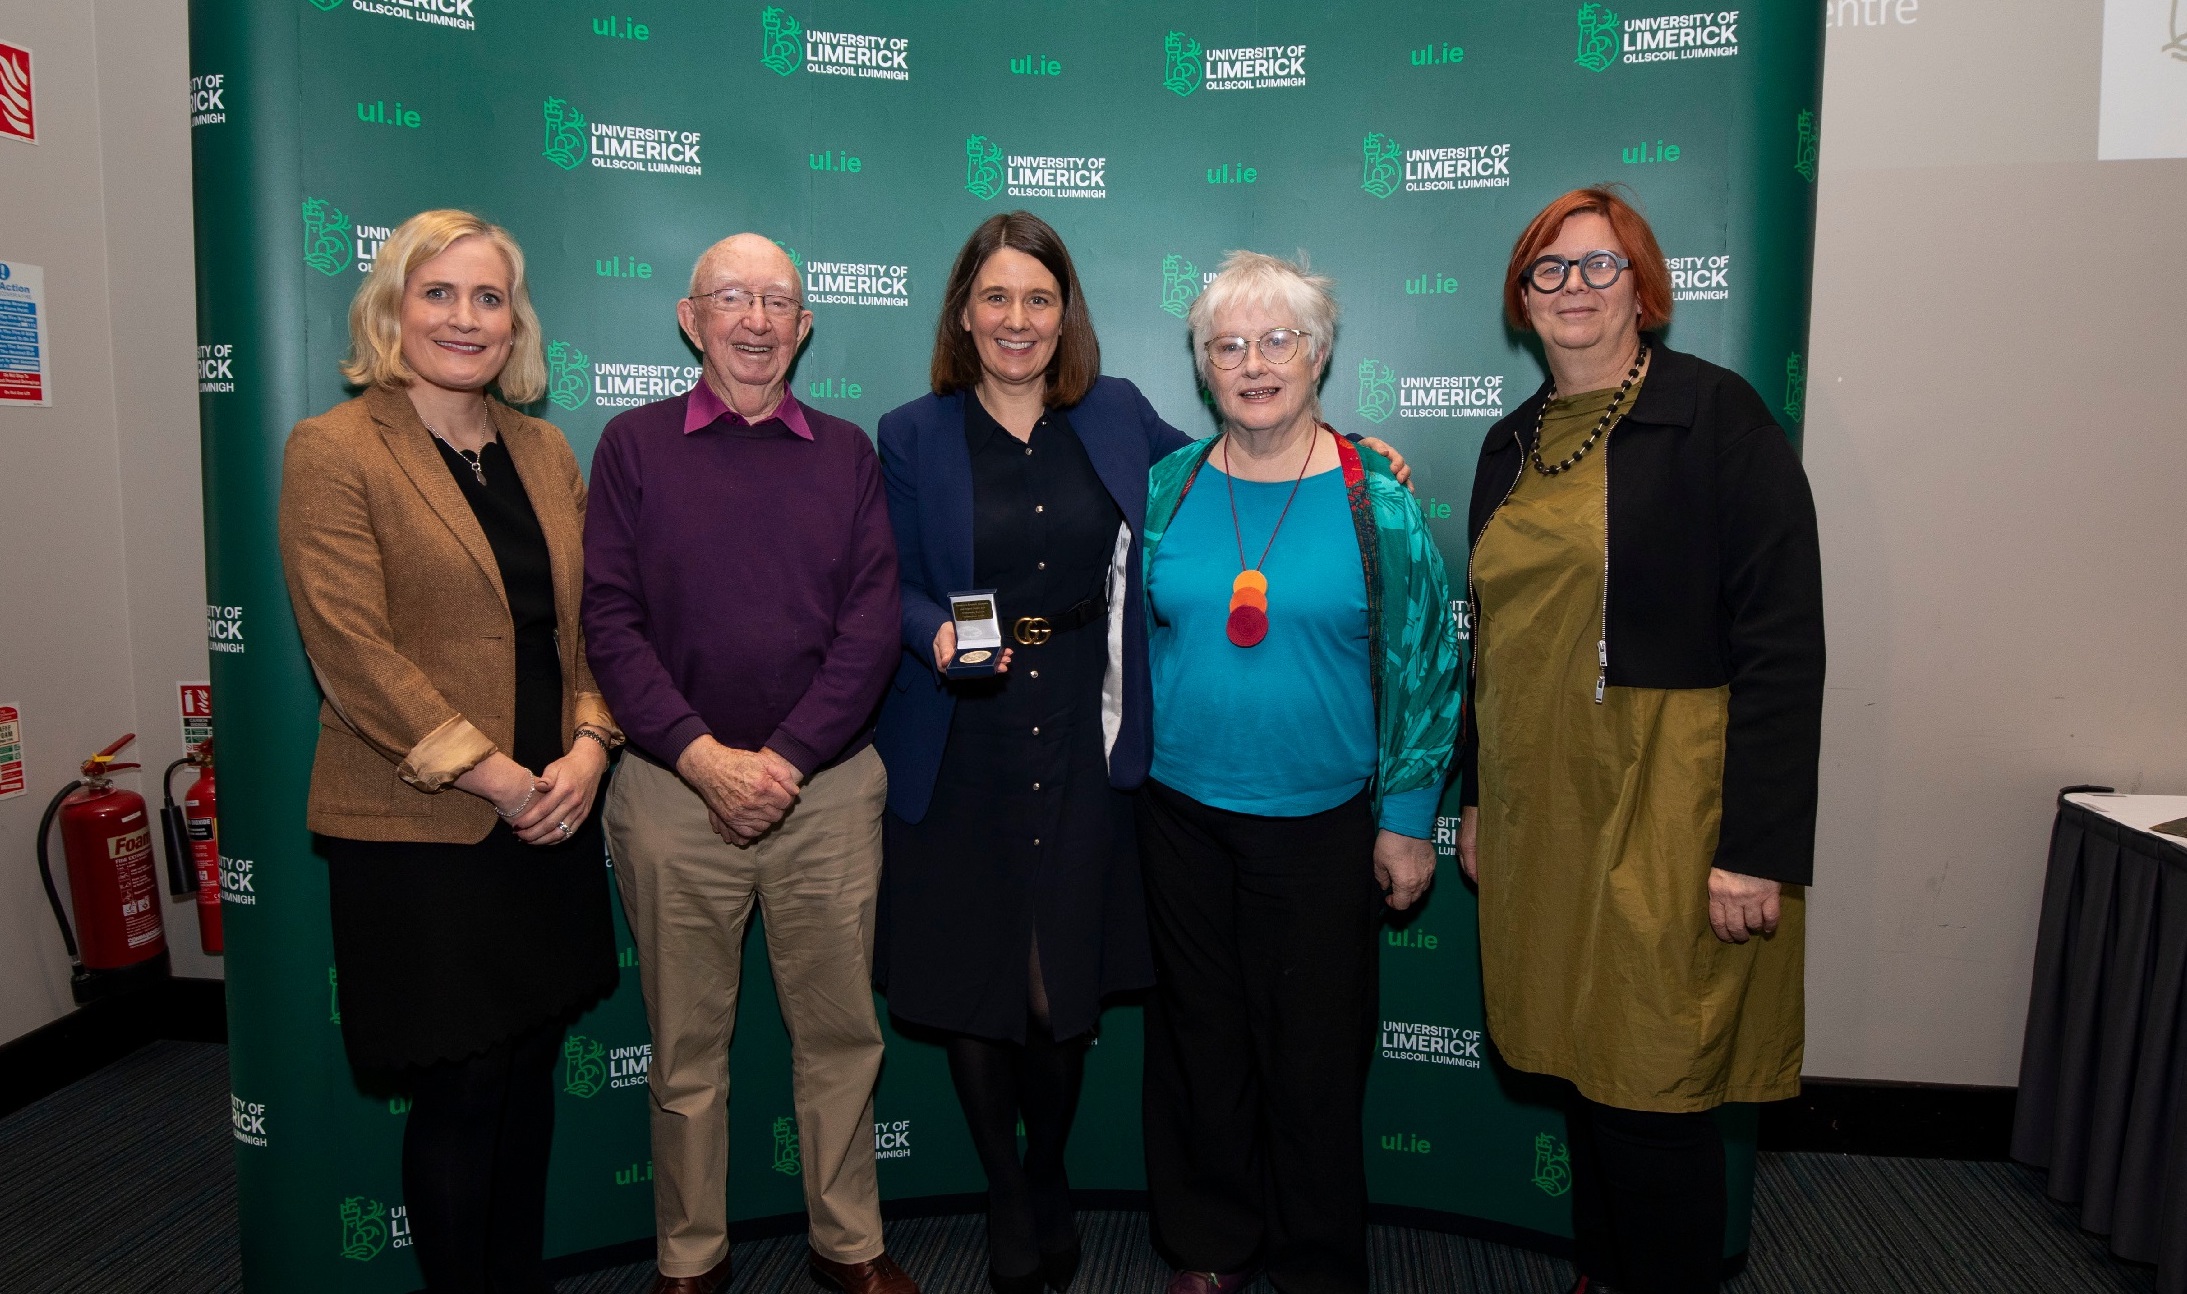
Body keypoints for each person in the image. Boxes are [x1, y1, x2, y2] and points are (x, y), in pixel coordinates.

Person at [873, 215, 1416, 1294]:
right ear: (962, 313)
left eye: (1039, 299)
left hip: (1086, 723)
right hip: (965, 722)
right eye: (995, 298)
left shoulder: (1117, 415)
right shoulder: (912, 433)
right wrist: (926, 624)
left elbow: (1245, 452)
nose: (1017, 319)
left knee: (1055, 981)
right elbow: (879, 572)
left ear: (1066, 313)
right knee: (979, 977)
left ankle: (1051, 1167)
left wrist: (1355, 455)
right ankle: (1008, 1188)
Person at [1455, 186, 1825, 1294]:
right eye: (1550, 272)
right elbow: (1495, 647)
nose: (1575, 289)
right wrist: (1476, 797)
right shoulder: (1510, 443)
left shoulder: (1718, 417)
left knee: (1650, 1076)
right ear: (1523, 300)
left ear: (1644, 286)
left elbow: (1783, 644)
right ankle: (1604, 1272)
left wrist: (1757, 842)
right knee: (1583, 1063)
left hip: (1670, 805)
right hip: (1543, 803)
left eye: (1600, 266)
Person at [278, 208, 619, 1294]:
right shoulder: (334, 449)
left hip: (551, 814)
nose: (465, 319)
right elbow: (351, 649)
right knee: (462, 1087)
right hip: (427, 829)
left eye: (489, 297)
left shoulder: (542, 448)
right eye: (439, 294)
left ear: (516, 321)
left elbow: (591, 625)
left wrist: (590, 745)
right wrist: (499, 775)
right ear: (392, 309)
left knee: (524, 1075)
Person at [581, 234, 914, 1294]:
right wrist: (705, 759)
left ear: (806, 326)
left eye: (779, 301)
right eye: (735, 298)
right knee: (683, 1053)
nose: (758, 321)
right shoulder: (632, 448)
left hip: (826, 792)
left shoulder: (848, 453)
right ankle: (690, 1258)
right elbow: (611, 622)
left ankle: (848, 1244)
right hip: (672, 794)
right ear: (692, 318)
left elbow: (870, 627)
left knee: (841, 1036)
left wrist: (782, 761)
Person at [1137, 251, 1462, 1294]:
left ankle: (1316, 1263)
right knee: (1198, 1047)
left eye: (1278, 340)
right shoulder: (1167, 485)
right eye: (1227, 346)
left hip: (1322, 827)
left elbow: (1426, 659)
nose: (1253, 363)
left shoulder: (1380, 499)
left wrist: (1409, 818)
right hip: (1179, 815)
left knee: (1314, 1064)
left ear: (1319, 353)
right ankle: (1208, 1244)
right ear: (1202, 369)